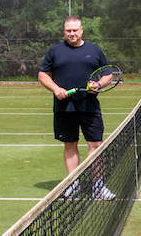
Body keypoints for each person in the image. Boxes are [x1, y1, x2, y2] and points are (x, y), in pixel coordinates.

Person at [38, 16, 115, 199]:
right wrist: (56, 89)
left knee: (95, 144)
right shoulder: (55, 51)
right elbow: (42, 75)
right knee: (70, 144)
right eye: (68, 31)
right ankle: (73, 184)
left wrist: (98, 85)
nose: (71, 34)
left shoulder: (94, 50)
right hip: (64, 108)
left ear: (81, 31)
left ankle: (98, 186)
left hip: (89, 106)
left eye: (74, 30)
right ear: (64, 32)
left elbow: (108, 74)